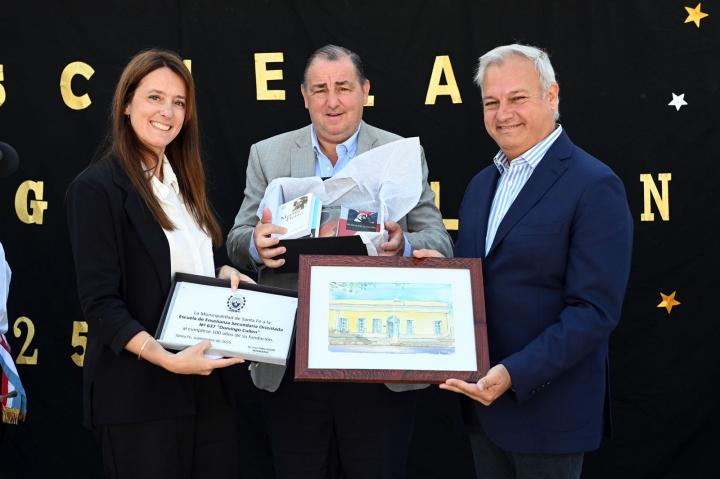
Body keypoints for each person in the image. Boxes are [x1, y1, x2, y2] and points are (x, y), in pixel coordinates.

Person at [227, 44, 453, 479]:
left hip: (379, 360)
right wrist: (256, 245)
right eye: (320, 89)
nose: (332, 101)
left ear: (365, 91)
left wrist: (403, 244)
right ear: (304, 95)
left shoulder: (400, 153)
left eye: (344, 88)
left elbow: (439, 239)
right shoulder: (268, 154)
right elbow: (237, 239)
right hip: (293, 361)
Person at [415, 44, 633, 478]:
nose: (503, 114)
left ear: (552, 96)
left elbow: (594, 311)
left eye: (517, 98)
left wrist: (513, 373)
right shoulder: (481, 184)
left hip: (548, 412)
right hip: (481, 407)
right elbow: (482, 278)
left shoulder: (594, 185)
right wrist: (438, 271)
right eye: (491, 102)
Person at [66, 49, 251, 479]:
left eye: (178, 102)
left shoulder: (184, 186)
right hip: (139, 396)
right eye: (155, 97)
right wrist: (166, 360)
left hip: (206, 388)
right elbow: (100, 304)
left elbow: (178, 271)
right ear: (126, 104)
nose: (167, 112)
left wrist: (221, 275)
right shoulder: (95, 189)